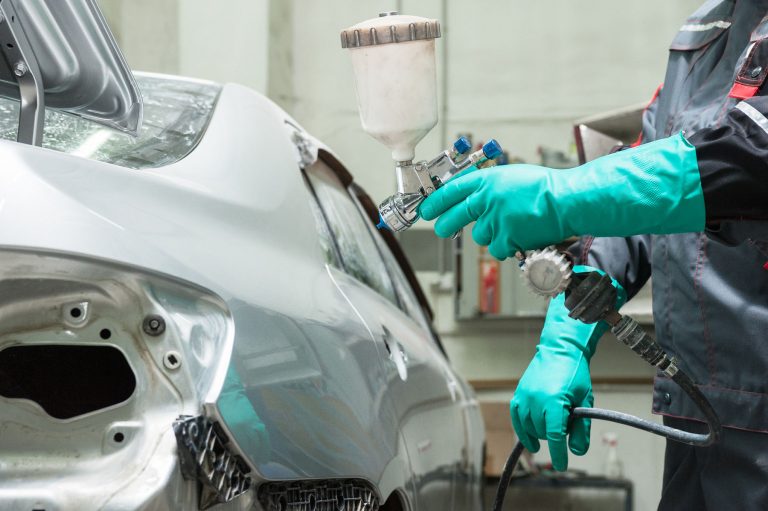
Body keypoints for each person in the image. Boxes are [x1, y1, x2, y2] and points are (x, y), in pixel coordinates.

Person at [419, 1, 768, 509]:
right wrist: (568, 337)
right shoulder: (707, 29)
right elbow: (645, 192)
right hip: (698, 414)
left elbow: (749, 154)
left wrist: (562, 196)